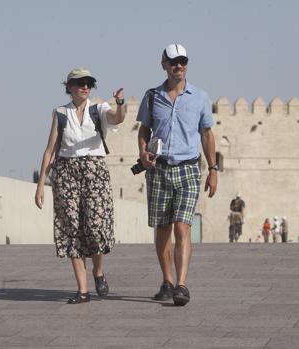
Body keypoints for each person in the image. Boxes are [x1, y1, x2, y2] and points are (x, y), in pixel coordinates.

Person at [34, 68, 125, 304]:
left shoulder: (99, 109)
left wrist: (121, 103)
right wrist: (41, 184)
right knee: (71, 229)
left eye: (89, 83)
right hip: (66, 172)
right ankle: (83, 290)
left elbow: (117, 118)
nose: (85, 87)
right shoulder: (60, 113)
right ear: (70, 87)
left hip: (95, 171)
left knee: (95, 228)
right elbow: (50, 149)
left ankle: (98, 271)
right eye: (80, 83)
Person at [136, 44, 218, 306]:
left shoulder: (200, 97)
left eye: (182, 61)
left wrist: (213, 169)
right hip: (159, 169)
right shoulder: (152, 97)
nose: (178, 66)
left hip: (188, 169)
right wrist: (143, 153)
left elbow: (207, 134)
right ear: (164, 65)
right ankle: (167, 281)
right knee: (162, 229)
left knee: (183, 227)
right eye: (173, 62)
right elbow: (143, 131)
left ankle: (182, 285)